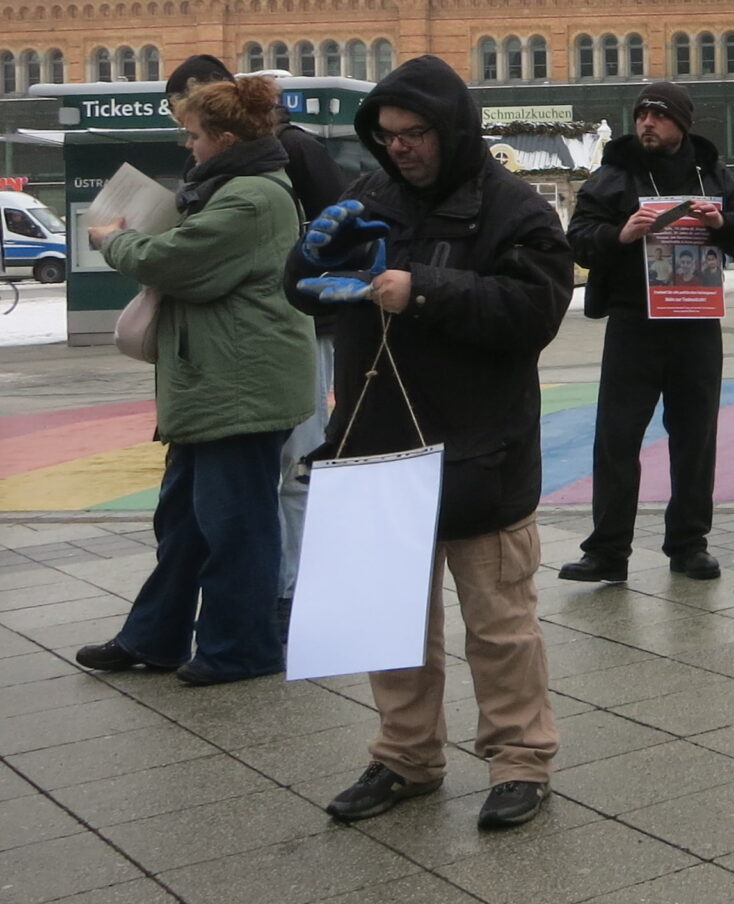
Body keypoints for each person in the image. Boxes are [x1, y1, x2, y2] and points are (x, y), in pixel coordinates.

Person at [284, 56, 575, 829]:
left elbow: (534, 311)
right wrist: (308, 257)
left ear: (452, 130)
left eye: (415, 134)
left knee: (500, 626)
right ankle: (405, 757)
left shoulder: (514, 208)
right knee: (392, 624)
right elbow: (307, 290)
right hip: (377, 448)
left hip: (481, 451)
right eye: (387, 136)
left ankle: (520, 760)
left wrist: (424, 289)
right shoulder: (368, 193)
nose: (400, 148)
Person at [75, 75, 314, 686]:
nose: (189, 147)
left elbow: (174, 263)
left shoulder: (252, 198)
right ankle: (155, 636)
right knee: (182, 520)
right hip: (215, 382)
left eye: (194, 136)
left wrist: (115, 239)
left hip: (240, 387)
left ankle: (242, 648)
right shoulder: (235, 190)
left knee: (235, 525)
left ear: (225, 138)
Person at [162, 54, 346, 629]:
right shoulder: (232, 171)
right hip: (255, 341)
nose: (183, 138)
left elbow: (337, 226)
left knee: (293, 465)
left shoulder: (285, 159)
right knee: (256, 478)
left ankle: (290, 588)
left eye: (187, 124)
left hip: (296, 332)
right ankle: (271, 591)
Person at [560, 81, 734, 584]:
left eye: (659, 115)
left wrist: (723, 222)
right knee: (616, 439)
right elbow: (577, 239)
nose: (647, 123)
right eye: (641, 114)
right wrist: (620, 233)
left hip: (695, 324)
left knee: (695, 439)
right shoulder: (614, 174)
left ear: (682, 123)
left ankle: (689, 545)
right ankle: (608, 551)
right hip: (633, 324)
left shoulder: (711, 174)